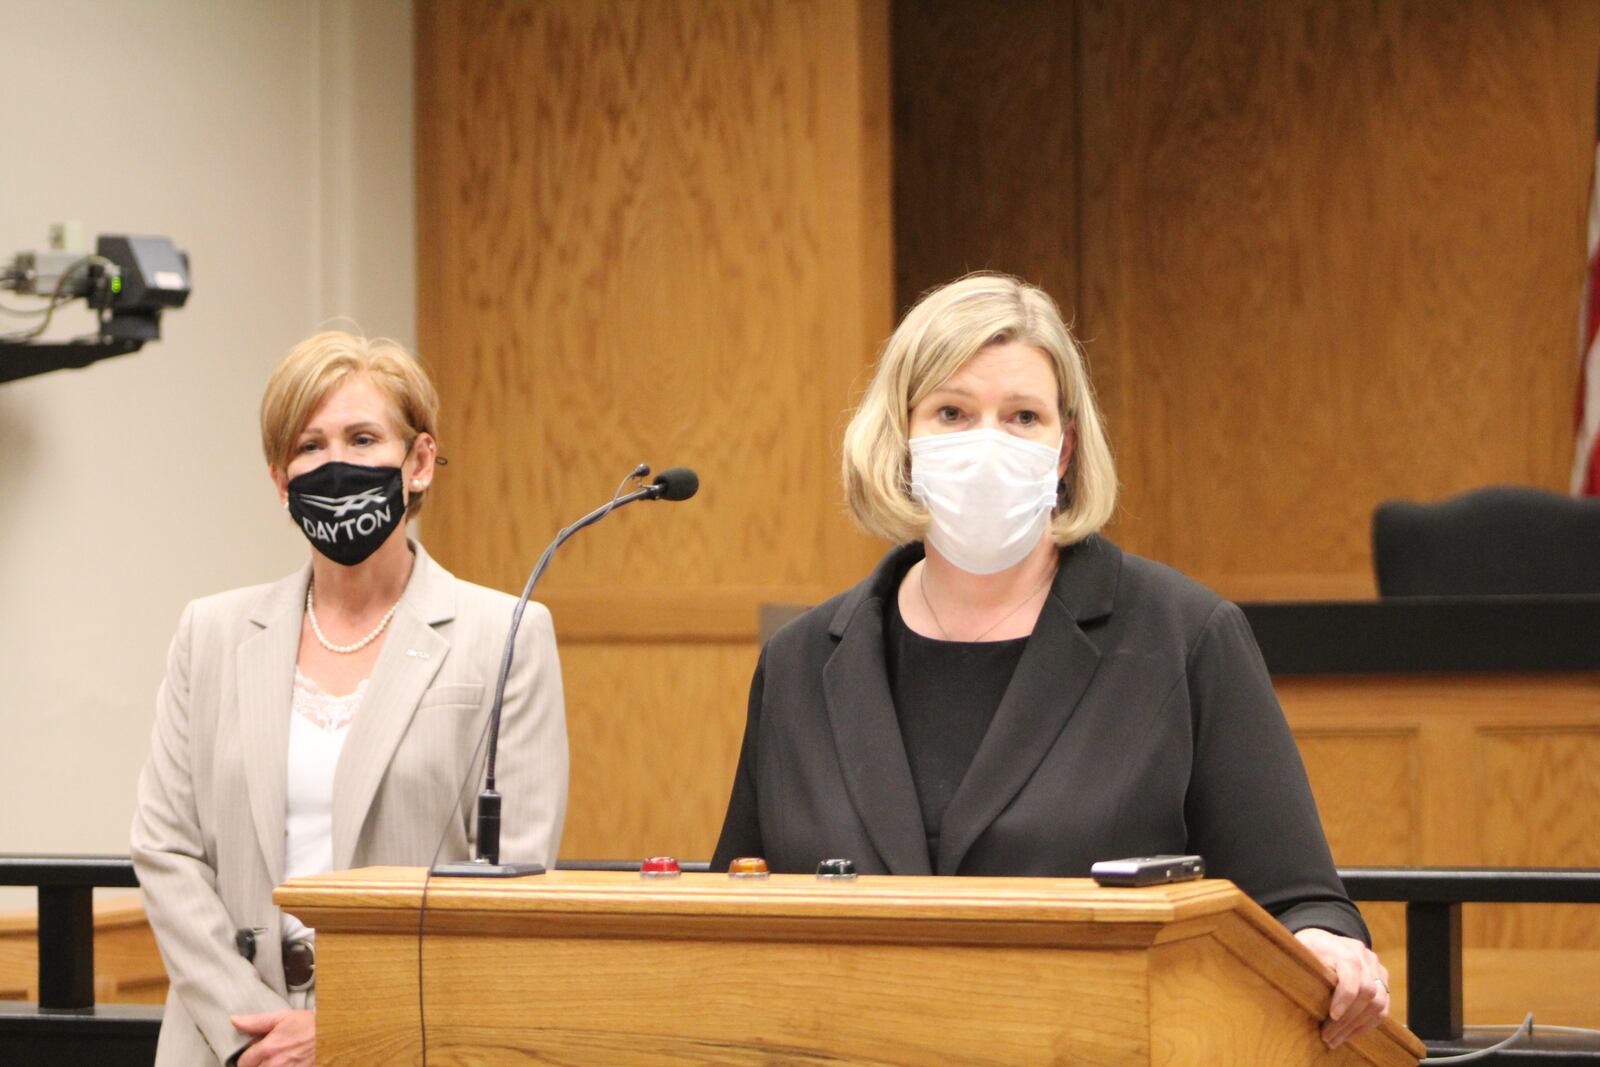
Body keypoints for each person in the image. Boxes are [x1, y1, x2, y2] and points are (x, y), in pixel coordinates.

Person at [712, 274, 1390, 1050]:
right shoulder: (801, 665)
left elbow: (1302, 902)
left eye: (1022, 416)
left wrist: (1328, 945)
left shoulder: (1184, 636)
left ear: (1064, 447)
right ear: (901, 439)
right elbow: (734, 911)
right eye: (952, 413)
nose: (987, 441)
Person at [131, 332, 568, 1067]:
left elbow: (511, 879)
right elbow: (166, 848)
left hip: (412, 1042)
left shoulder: (504, 634)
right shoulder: (211, 633)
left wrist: (350, 1025)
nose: (335, 464)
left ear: (419, 460)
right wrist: (255, 1033)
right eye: (309, 445)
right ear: (280, 478)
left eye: (363, 438)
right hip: (226, 1045)